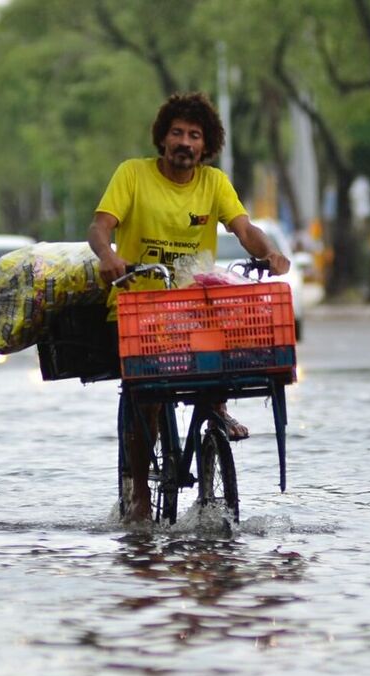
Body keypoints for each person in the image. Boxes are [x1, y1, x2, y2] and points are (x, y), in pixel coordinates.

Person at [87, 92, 289, 522]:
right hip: (138, 306)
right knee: (149, 399)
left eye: (194, 135)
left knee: (228, 344)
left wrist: (269, 252)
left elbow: (244, 228)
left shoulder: (214, 183)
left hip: (192, 306)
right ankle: (140, 488)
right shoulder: (133, 175)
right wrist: (108, 256)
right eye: (177, 133)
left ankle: (216, 410)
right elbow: (100, 225)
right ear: (162, 139)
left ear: (206, 144)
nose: (185, 142)